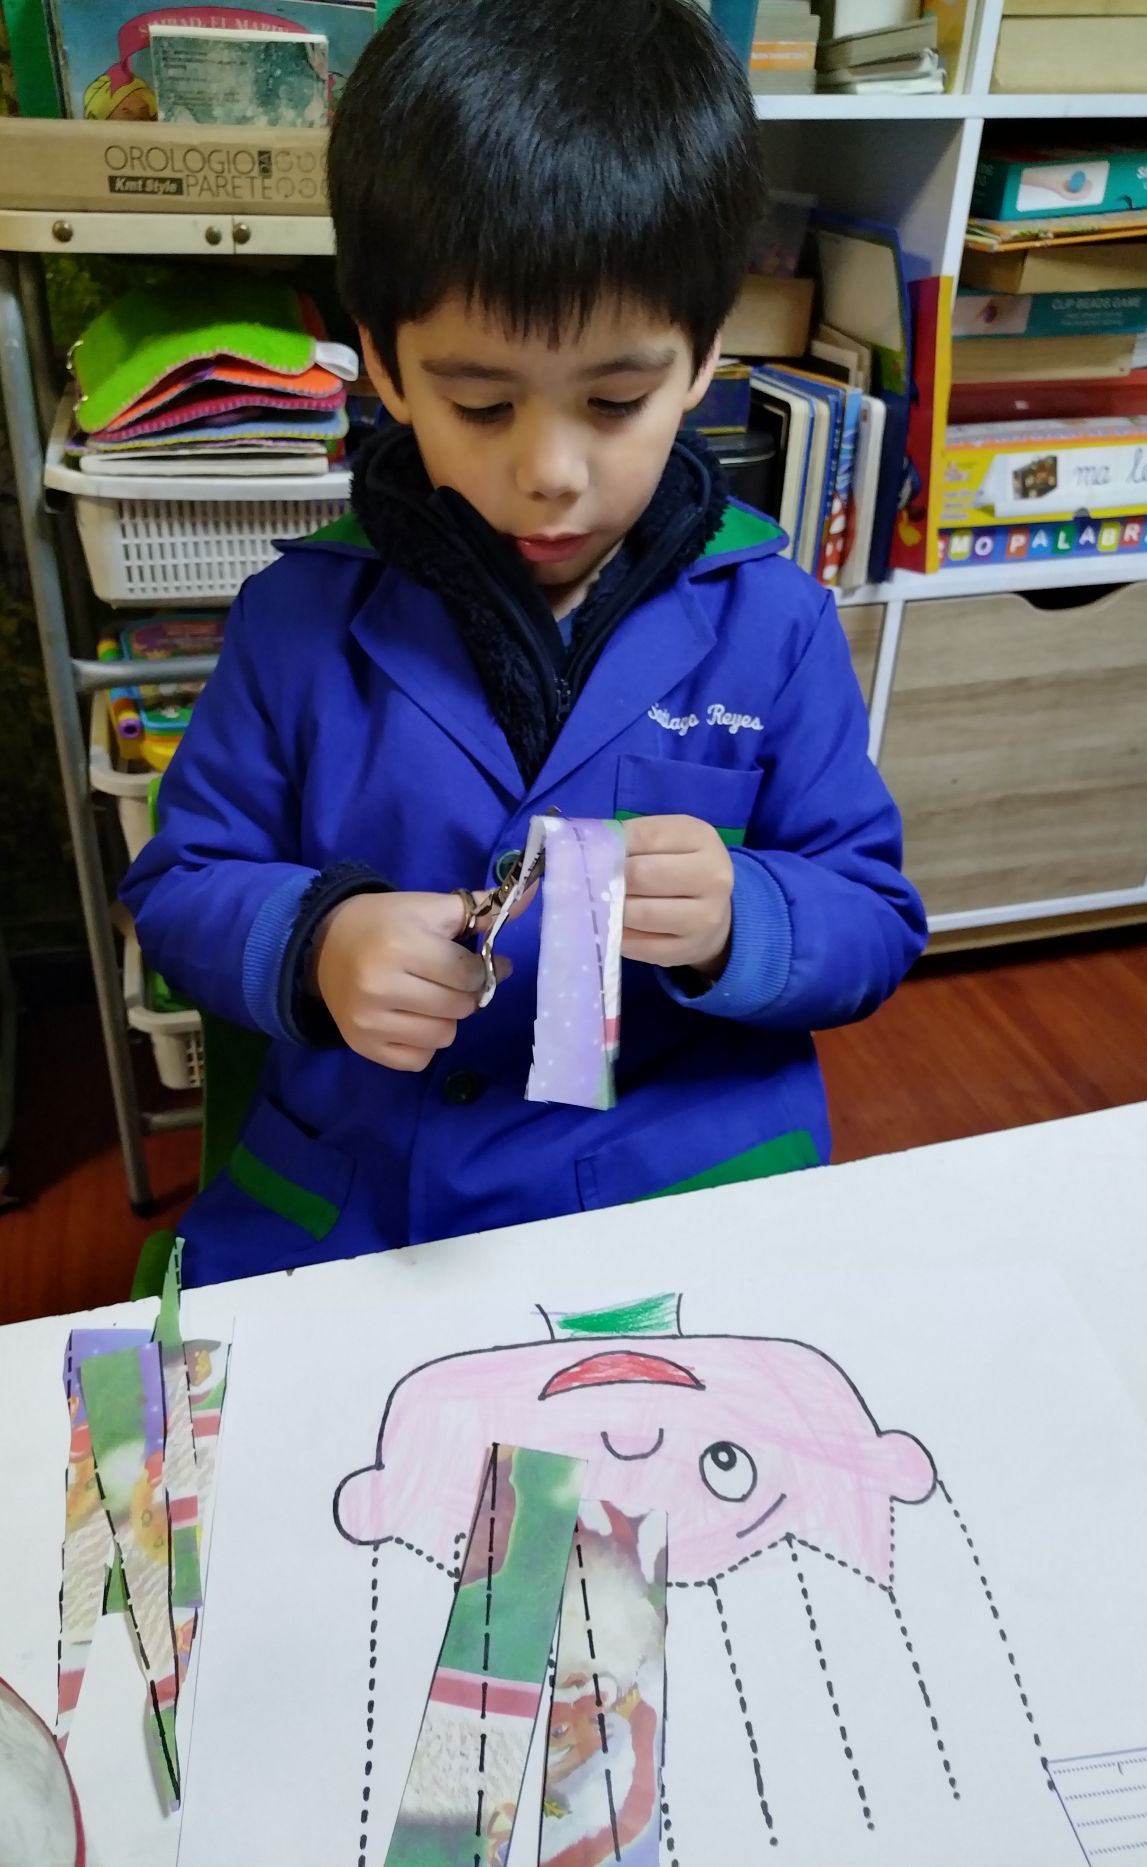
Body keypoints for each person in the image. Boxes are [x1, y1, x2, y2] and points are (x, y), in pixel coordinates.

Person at [122, 0, 927, 1287]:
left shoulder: (771, 621)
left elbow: (873, 915)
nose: (549, 472)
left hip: (669, 1185)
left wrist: (742, 915)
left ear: (703, 356)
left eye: (614, 400)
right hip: (364, 1196)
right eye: (480, 402)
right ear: (384, 365)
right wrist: (318, 940)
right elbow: (179, 885)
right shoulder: (297, 621)